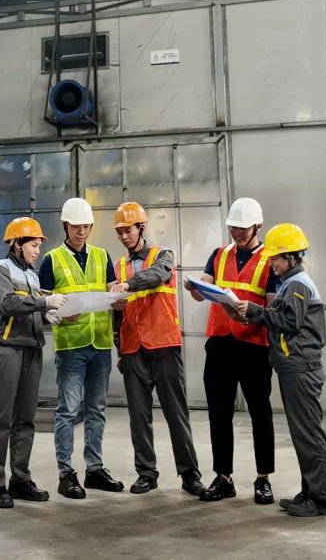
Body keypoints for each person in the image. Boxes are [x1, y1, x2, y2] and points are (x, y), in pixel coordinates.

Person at [236, 223, 326, 518]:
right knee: (303, 433)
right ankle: (310, 491)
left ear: (291, 257)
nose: (272, 263)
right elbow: (281, 315)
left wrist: (254, 312)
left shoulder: (299, 285)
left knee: (308, 434)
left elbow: (289, 321)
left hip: (300, 367)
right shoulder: (291, 284)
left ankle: (321, 499)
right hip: (294, 366)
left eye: (276, 258)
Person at [183, 197, 278, 504]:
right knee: (219, 414)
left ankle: (263, 478)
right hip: (221, 343)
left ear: (257, 227)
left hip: (254, 345)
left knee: (260, 414)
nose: (236, 232)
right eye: (233, 227)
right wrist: (196, 288)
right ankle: (223, 477)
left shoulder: (270, 259)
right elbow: (205, 293)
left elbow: (274, 306)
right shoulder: (219, 254)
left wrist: (250, 310)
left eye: (242, 227)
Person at [109, 201, 204, 497]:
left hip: (164, 345)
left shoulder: (162, 256)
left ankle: (189, 474)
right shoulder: (119, 265)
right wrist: (120, 350)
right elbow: (116, 313)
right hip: (133, 349)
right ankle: (146, 473)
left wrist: (127, 285)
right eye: (119, 232)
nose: (124, 237)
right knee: (139, 416)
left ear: (141, 227)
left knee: (176, 413)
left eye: (128, 230)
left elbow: (158, 276)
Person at [38, 197, 124, 499]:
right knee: (67, 410)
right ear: (65, 225)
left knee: (97, 409)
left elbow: (114, 296)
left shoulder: (103, 257)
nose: (82, 231)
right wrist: (57, 314)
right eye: (76, 227)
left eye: (87, 226)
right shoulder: (51, 260)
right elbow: (44, 306)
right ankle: (66, 473)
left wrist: (117, 297)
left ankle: (95, 469)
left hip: (99, 344)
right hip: (71, 345)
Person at [0, 216, 67, 509]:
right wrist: (45, 303)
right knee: (1, 419)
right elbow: (8, 304)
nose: (37, 250)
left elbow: (30, 309)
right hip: (6, 351)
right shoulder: (1, 270)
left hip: (31, 350)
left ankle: (19, 479)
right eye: (33, 244)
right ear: (17, 244)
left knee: (25, 420)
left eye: (39, 245)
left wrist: (48, 315)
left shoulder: (32, 275)